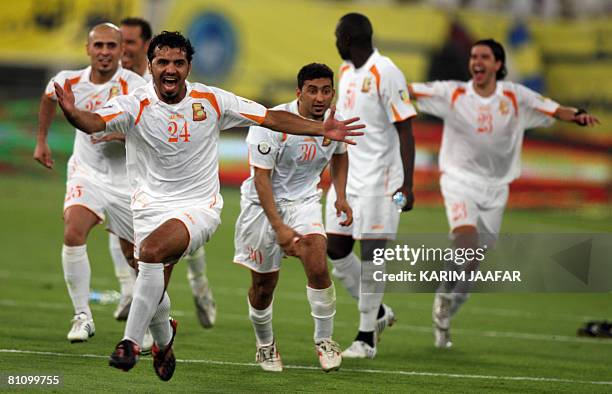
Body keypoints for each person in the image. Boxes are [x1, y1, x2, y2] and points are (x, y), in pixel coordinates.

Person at [52, 31, 363, 381]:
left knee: (152, 254)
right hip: (148, 209)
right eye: (163, 62)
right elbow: (93, 122)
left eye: (178, 63)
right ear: (151, 66)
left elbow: (270, 118)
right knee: (152, 279)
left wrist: (319, 128)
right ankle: (164, 338)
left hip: (199, 206)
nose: (171, 69)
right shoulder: (134, 102)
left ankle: (128, 343)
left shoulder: (212, 100)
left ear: (188, 67)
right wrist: (73, 113)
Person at [408, 38, 600, 348]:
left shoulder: (515, 96)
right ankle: (444, 295)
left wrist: (576, 114)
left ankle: (450, 304)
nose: (476, 61)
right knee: (466, 239)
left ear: (498, 64)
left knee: (473, 259)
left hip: (496, 188)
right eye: (473, 56)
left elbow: (551, 108)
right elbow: (413, 90)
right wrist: (383, 86)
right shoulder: (453, 92)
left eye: (484, 56)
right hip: (459, 179)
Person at [32, 23, 146, 342]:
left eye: (112, 46)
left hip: (127, 180)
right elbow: (47, 98)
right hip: (87, 172)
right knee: (73, 230)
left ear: (122, 50)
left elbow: (151, 125)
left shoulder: (136, 86)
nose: (105, 52)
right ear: (88, 49)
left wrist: (125, 135)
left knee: (137, 257)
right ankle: (82, 315)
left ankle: (150, 315)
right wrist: (41, 141)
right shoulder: (68, 80)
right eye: (99, 46)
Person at [234, 63, 350, 372]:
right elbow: (261, 180)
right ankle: (265, 345)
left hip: (305, 202)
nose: (319, 97)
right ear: (299, 92)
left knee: (317, 261)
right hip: (262, 207)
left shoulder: (333, 123)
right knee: (263, 286)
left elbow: (340, 156)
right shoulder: (270, 123)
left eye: (326, 90)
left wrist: (340, 196)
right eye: (312, 90)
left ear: (332, 93)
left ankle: (324, 340)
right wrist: (279, 227)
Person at [325, 13, 417, 359]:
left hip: (382, 181)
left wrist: (407, 185)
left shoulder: (387, 71)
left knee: (372, 256)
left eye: (337, 36)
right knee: (335, 248)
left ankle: (366, 337)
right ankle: (378, 312)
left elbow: (405, 129)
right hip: (348, 180)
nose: (335, 42)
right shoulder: (347, 72)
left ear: (347, 38)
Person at [117, 16, 217, 329]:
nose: (124, 49)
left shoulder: (165, 83)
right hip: (136, 179)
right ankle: (133, 296)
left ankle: (195, 283)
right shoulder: (118, 85)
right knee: (136, 253)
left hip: (185, 190)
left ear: (143, 46)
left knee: (157, 257)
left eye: (130, 42)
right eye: (121, 42)